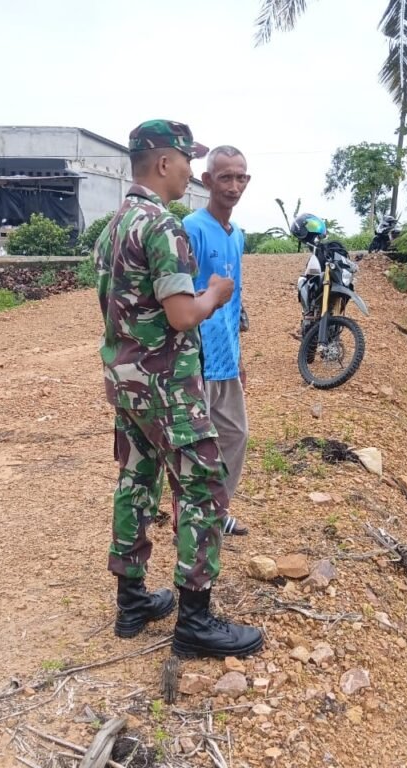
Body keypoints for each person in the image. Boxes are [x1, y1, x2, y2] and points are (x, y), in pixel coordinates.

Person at [93, 119, 263, 659]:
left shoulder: (113, 226)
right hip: (167, 383)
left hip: (127, 382)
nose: (192, 170)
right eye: (187, 160)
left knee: (136, 482)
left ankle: (132, 600)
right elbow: (182, 313)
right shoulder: (163, 227)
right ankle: (195, 619)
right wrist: (214, 293)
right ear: (164, 163)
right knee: (206, 487)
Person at [182, 146, 252, 537]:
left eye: (240, 177)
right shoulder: (191, 227)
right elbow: (178, 293)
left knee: (235, 436)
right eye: (225, 177)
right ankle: (193, 521)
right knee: (197, 448)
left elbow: (235, 295)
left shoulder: (237, 234)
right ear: (207, 181)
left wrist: (239, 355)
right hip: (196, 356)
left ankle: (216, 509)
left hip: (225, 357)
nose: (234, 185)